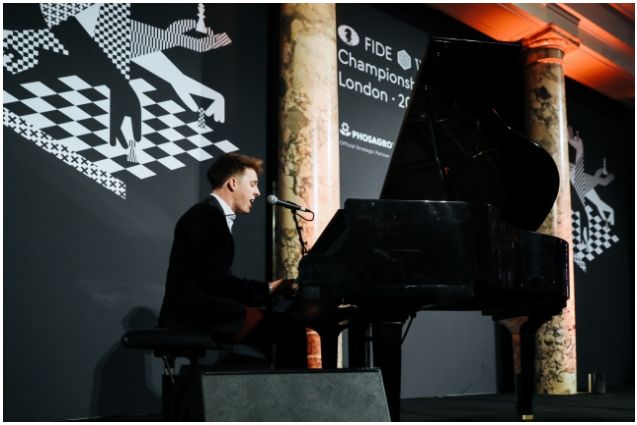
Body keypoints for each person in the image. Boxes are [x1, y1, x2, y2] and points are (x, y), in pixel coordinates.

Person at [158, 152, 306, 367]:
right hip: (193, 312)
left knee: (277, 329)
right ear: (233, 183)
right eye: (253, 184)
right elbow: (214, 280)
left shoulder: (210, 214)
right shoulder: (206, 215)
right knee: (289, 330)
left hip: (199, 308)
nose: (258, 192)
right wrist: (269, 289)